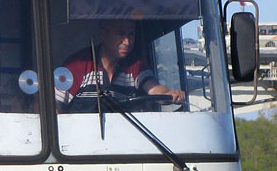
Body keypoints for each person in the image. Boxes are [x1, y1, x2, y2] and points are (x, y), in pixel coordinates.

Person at [56, 19, 184, 110]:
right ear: (103, 33)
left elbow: (154, 89)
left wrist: (168, 94)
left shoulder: (135, 66)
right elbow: (53, 106)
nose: (127, 42)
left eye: (131, 35)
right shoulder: (78, 64)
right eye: (121, 34)